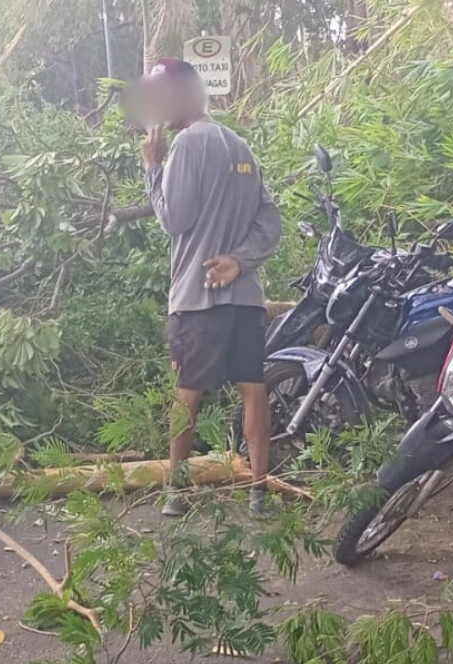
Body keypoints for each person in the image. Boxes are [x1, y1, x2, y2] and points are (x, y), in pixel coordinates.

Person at [135, 58, 282, 518]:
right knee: (253, 389)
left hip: (197, 298)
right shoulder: (240, 146)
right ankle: (258, 492)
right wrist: (240, 262)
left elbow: (174, 220)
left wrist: (153, 170)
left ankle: (175, 491)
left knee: (188, 391)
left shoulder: (186, 146)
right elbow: (270, 221)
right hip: (245, 297)